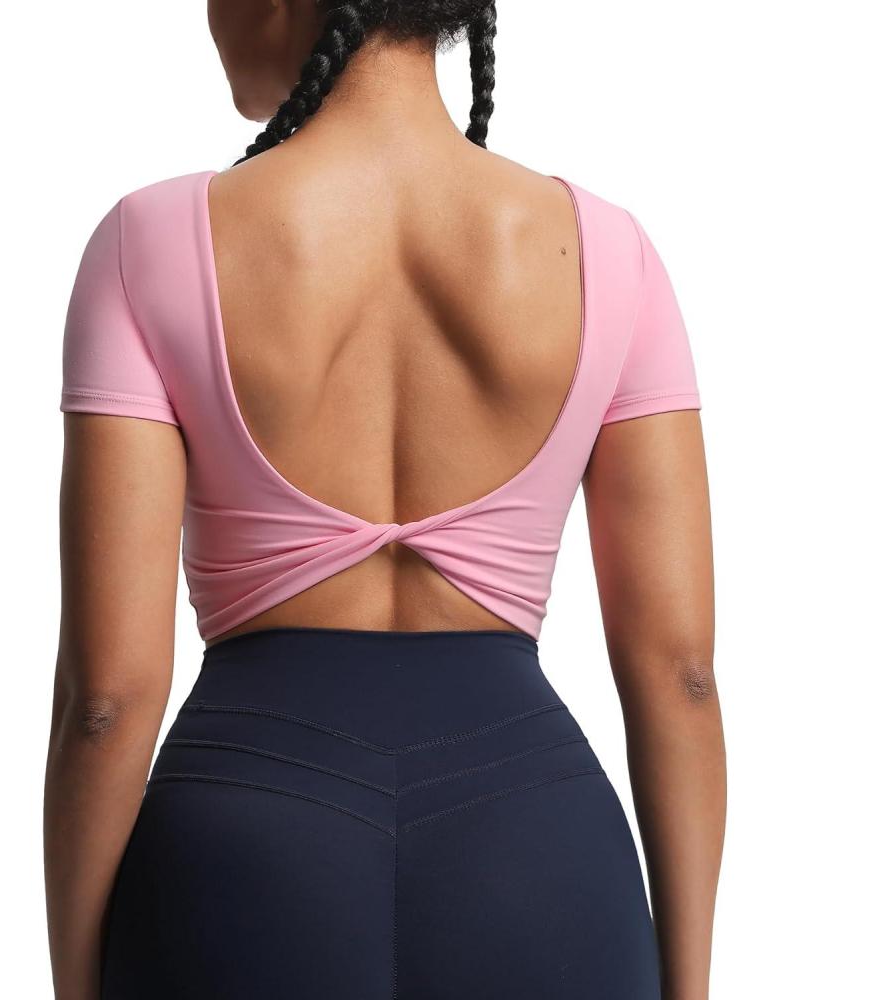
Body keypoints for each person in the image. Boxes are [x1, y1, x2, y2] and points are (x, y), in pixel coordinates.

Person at [44, 3, 726, 998]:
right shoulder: (610, 253)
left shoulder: (144, 243)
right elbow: (681, 675)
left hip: (238, 867)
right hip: (541, 867)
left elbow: (105, 701)